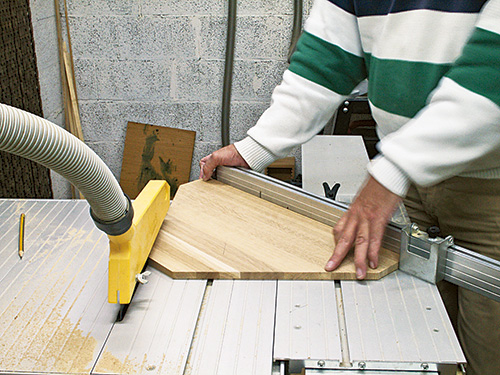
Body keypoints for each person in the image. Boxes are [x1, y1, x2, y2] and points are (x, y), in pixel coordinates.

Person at [199, 1, 500, 373]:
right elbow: (324, 59)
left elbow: (492, 73)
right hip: (413, 186)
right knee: (430, 341)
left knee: (488, 355)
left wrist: (394, 169)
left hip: (490, 190)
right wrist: (256, 148)